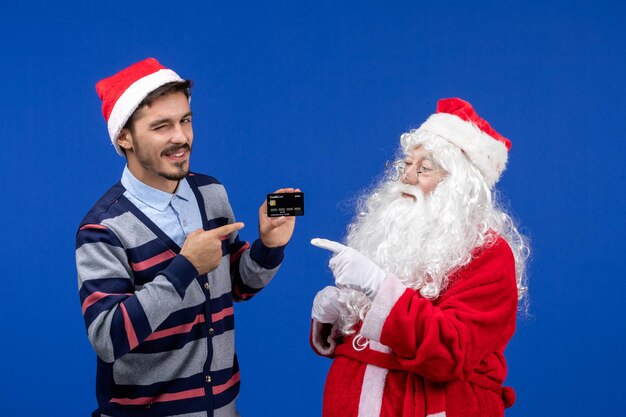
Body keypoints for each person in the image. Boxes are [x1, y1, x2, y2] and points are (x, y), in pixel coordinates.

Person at [76, 58, 298, 417]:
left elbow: (236, 285)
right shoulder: (103, 228)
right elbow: (108, 337)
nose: (180, 137)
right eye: (161, 126)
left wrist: (268, 246)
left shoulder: (211, 193)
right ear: (124, 137)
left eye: (185, 120)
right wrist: (184, 268)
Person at [310, 98, 529, 417]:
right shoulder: (393, 234)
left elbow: (451, 350)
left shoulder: (489, 254)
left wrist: (377, 285)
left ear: (459, 186)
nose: (407, 178)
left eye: (423, 169)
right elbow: (374, 341)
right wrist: (338, 319)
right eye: (406, 165)